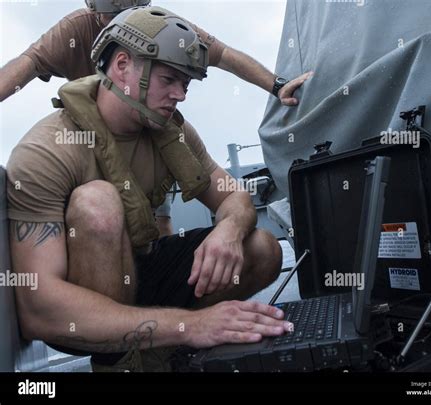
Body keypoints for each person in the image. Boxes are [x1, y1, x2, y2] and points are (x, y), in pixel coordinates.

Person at [7, 6, 293, 372]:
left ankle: (164, 351)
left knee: (261, 248)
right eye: (169, 79)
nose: (180, 95)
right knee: (97, 203)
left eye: (185, 84)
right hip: (78, 303)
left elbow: (233, 196)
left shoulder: (172, 130)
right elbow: (39, 308)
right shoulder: (48, 149)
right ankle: (122, 363)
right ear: (122, 65)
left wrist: (228, 230)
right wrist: (190, 325)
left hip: (144, 270)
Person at [0, 0, 312, 105]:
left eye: (131, 14)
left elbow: (223, 55)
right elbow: (29, 63)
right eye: (114, 19)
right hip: (93, 135)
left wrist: (276, 85)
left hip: (149, 126)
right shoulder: (74, 30)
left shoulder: (161, 26)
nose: (123, 27)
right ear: (96, 13)